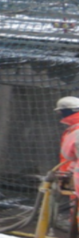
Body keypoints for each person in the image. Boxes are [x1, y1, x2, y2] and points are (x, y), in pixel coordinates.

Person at [55, 96, 79, 234]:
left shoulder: (75, 131)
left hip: (73, 175)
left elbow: (67, 154)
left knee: (75, 205)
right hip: (70, 174)